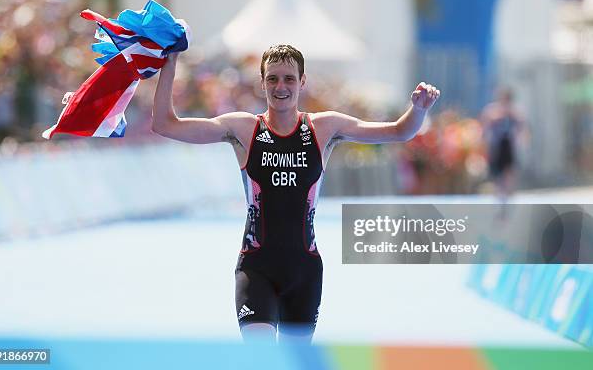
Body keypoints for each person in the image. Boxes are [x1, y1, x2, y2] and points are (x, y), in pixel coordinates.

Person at [151, 45, 440, 344]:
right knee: (260, 359)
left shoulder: (325, 128)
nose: (281, 87)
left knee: (295, 363)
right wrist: (169, 63)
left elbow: (398, 131)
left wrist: (418, 109)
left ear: (302, 82)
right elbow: (164, 124)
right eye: (273, 79)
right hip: (256, 268)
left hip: (304, 271)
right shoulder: (242, 128)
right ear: (261, 82)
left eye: (289, 79)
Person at [480, 87, 526, 216]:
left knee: (509, 173)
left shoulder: (515, 110)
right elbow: (486, 123)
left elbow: (521, 126)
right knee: (497, 175)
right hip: (497, 146)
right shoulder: (493, 109)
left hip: (509, 146)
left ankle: (509, 200)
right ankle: (499, 201)